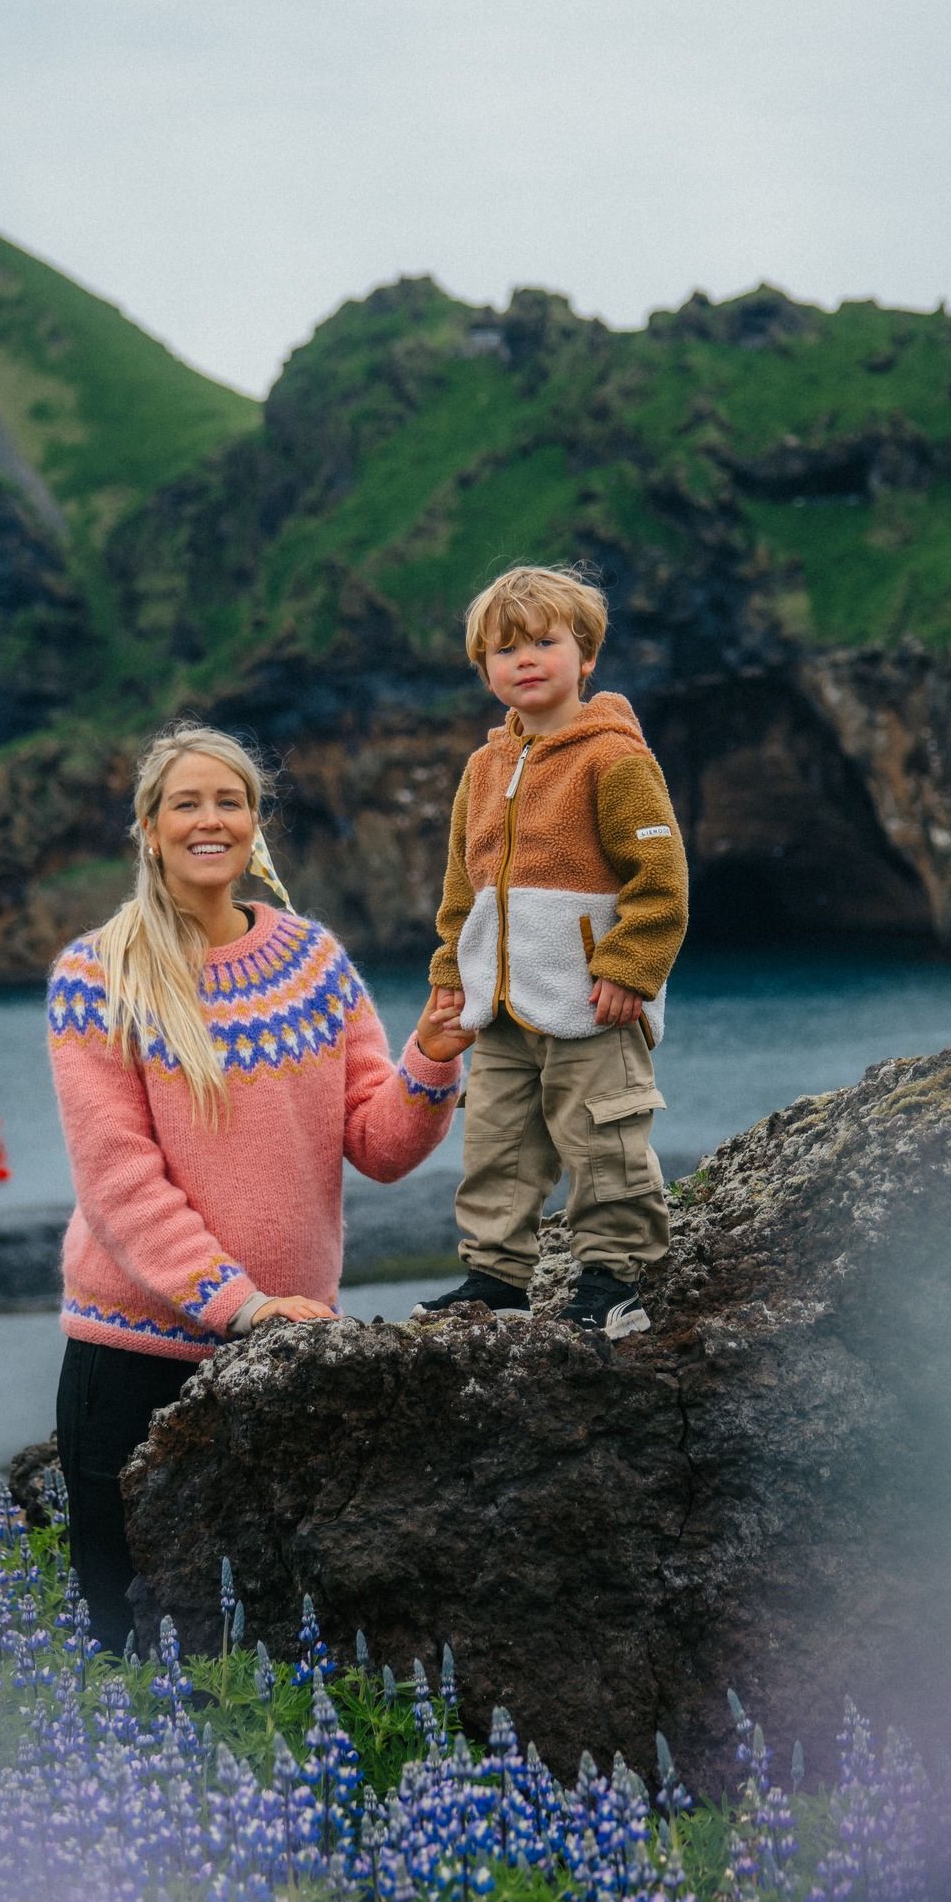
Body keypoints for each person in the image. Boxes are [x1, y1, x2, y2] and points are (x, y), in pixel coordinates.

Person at [45, 722, 472, 1648]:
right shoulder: (97, 976)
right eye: (186, 804)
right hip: (134, 1360)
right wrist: (239, 1304)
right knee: (127, 1649)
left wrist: (432, 1058)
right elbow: (121, 1182)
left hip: (280, 1357)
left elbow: (378, 1140)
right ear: (149, 830)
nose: (211, 820)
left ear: (255, 823)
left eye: (229, 801)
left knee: (270, 1651)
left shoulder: (313, 963)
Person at [416, 564, 689, 1341]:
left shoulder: (615, 759)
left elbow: (661, 878)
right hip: (500, 1009)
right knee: (496, 1144)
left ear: (587, 654)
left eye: (544, 641)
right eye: (506, 650)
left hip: (592, 1005)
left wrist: (630, 968)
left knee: (604, 1138)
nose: (525, 659)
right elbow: (461, 893)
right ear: (485, 670)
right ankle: (497, 1279)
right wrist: (450, 979)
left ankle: (614, 1280)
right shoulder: (483, 768)